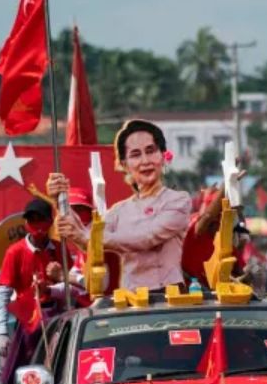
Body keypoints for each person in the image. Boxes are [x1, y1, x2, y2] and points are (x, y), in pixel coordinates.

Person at [54, 118, 192, 291]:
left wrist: (88, 237)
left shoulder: (178, 200)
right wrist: (60, 200)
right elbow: (89, 238)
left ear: (163, 155)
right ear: (124, 164)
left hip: (169, 296)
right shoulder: (119, 210)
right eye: (135, 155)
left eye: (151, 151)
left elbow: (146, 237)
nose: (145, 161)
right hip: (131, 300)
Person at [0, 198, 64, 384]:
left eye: (41, 219)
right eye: (32, 220)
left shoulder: (60, 250)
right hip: (29, 317)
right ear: (26, 224)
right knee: (23, 353)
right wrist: (2, 332)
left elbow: (74, 285)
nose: (37, 225)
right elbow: (3, 293)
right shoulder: (14, 252)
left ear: (50, 222)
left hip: (58, 314)